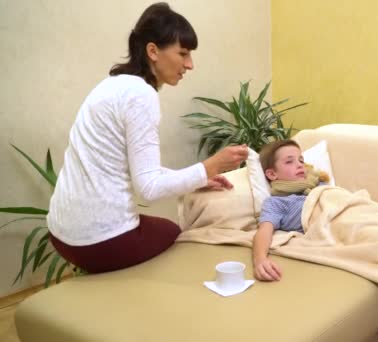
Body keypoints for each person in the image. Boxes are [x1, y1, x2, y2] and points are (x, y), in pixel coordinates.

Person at [47, 2, 248, 274]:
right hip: (96, 241)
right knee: (175, 232)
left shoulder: (112, 84)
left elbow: (137, 169)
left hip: (60, 234)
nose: (190, 64)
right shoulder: (142, 96)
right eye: (183, 53)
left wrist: (198, 179)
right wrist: (211, 165)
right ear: (153, 51)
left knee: (157, 227)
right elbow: (150, 188)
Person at [252, 139, 327, 281]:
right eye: (289, 162)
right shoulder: (277, 202)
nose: (299, 165)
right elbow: (264, 230)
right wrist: (260, 260)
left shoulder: (318, 185)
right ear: (272, 174)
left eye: (301, 160)